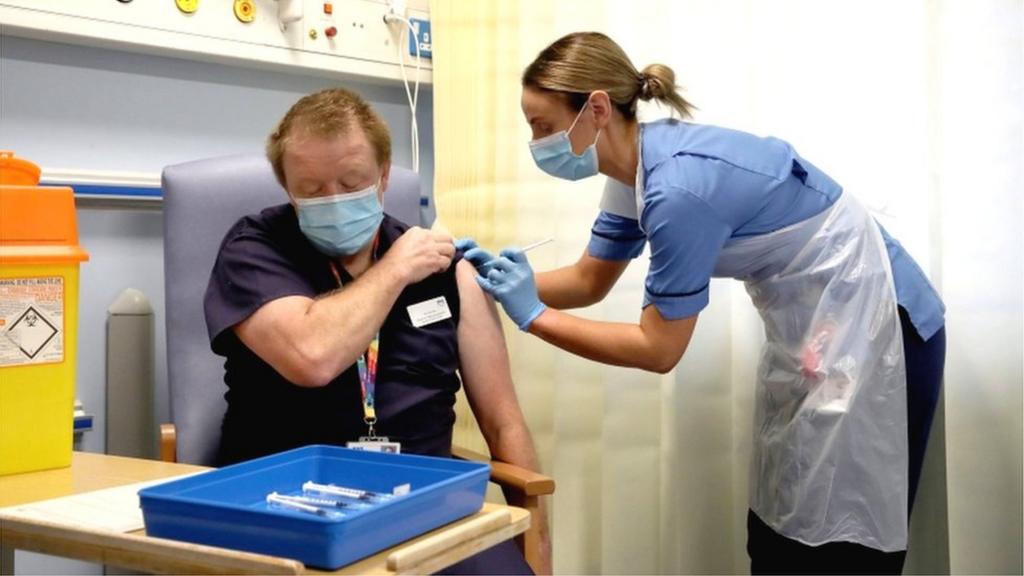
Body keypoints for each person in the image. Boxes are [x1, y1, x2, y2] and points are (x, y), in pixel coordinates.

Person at [459, 32, 945, 575]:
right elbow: (590, 279)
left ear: (595, 108)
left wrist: (533, 316)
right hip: (816, 325)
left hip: (879, 319)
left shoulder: (677, 190)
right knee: (789, 515)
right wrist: (495, 280)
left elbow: (658, 348)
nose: (536, 142)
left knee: (841, 534)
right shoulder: (632, 169)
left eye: (543, 126)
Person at [204, 87, 549, 575]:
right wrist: (396, 268)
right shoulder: (252, 251)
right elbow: (313, 357)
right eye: (314, 188)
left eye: (351, 182)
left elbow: (503, 421)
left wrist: (538, 540)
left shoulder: (449, 273)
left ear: (383, 177)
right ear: (287, 189)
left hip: (426, 513)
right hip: (287, 513)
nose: (334, 199)